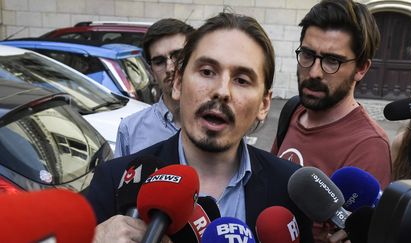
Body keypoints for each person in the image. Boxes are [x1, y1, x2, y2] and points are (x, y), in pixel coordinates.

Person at [85, 12, 314, 242]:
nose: (222, 91)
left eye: (242, 80)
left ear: (264, 104)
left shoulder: (290, 190)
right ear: (177, 83)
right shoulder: (115, 181)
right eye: (207, 72)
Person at [270, 0, 392, 242]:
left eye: (332, 61)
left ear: (361, 68)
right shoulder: (293, 110)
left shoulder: (369, 147)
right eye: (307, 54)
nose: (314, 72)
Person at [114, 18, 194, 157]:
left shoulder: (218, 123)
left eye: (178, 56)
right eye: (159, 61)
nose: (170, 68)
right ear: (152, 71)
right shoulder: (130, 130)